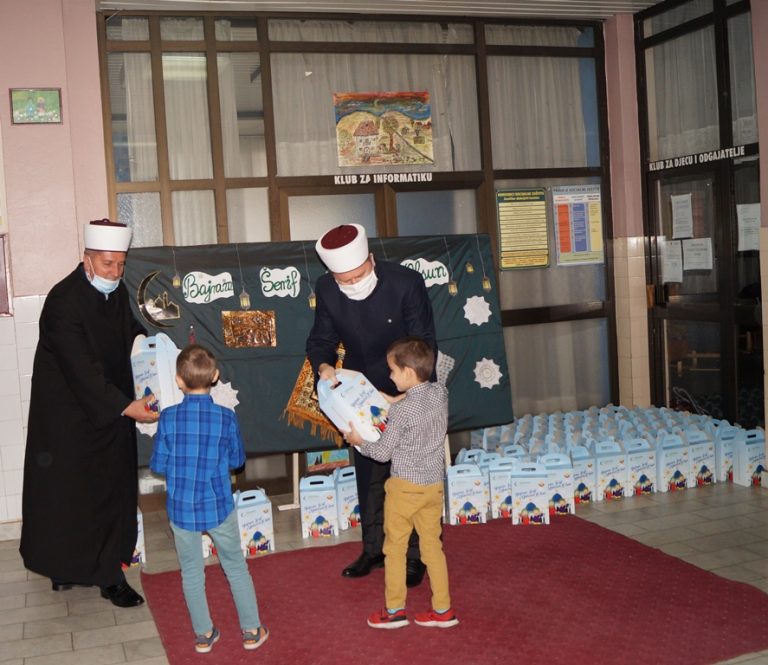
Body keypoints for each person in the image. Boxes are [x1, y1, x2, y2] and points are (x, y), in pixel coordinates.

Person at [20, 219, 159, 608]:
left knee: (108, 495)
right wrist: (126, 407)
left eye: (120, 265)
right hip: (68, 418)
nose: (114, 273)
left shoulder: (115, 292)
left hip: (109, 411)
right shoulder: (63, 301)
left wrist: (145, 348)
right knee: (68, 496)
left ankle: (109, 574)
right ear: (87, 260)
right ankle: (67, 568)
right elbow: (81, 370)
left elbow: (130, 328)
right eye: (107, 264)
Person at [306, 223, 436, 587]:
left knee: (409, 475)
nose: (352, 284)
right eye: (344, 280)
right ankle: (374, 548)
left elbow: (424, 343)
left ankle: (415, 555)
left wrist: (407, 395)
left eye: (358, 276)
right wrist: (325, 367)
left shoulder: (405, 283)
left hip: (405, 386)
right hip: (360, 394)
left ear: (372, 260)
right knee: (369, 475)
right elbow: (320, 339)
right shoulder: (326, 289)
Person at [150, 344, 268, 654]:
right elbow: (237, 460)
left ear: (178, 380)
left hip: (181, 508)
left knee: (191, 572)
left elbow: (158, 464)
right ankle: (251, 630)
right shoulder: (225, 417)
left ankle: (203, 634)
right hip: (218, 505)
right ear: (215, 377)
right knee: (235, 566)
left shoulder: (168, 418)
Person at [345, 337, 458, 630]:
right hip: (433, 486)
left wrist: (358, 441)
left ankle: (394, 610)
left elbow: (382, 453)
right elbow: (419, 399)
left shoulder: (402, 411)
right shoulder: (440, 393)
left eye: (393, 371)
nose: (391, 376)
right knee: (432, 548)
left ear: (408, 372)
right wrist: (395, 400)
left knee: (394, 548)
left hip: (404, 488)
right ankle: (443, 609)